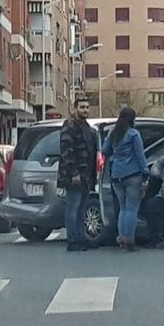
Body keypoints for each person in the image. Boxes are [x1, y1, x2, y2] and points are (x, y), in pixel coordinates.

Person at [102, 107, 149, 251]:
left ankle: (122, 238)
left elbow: (105, 150)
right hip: (133, 175)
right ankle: (129, 239)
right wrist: (145, 173)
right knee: (132, 209)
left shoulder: (113, 133)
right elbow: (140, 156)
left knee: (122, 208)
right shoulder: (134, 134)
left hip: (116, 175)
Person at [58, 97, 99, 252]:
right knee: (72, 208)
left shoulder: (87, 127)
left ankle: (81, 238)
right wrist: (73, 173)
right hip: (74, 175)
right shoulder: (69, 126)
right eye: (82, 107)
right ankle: (72, 240)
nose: (85, 110)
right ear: (75, 108)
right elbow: (67, 152)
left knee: (82, 208)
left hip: (86, 174)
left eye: (87, 107)